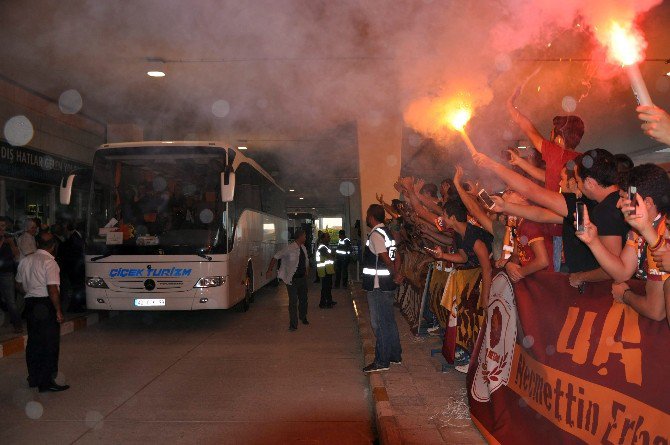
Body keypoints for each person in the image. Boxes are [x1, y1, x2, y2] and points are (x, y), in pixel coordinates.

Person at [474, 149, 628, 287]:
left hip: (604, 293)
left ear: (590, 182)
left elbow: (612, 270)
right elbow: (541, 215)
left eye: (578, 180)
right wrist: (506, 207)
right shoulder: (588, 205)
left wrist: (581, 277)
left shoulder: (607, 209)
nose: (577, 185)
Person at [575, 164, 669, 324]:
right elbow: (622, 272)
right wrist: (593, 242)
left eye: (624, 197)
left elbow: (655, 311)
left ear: (646, 203)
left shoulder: (662, 232)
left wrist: (625, 295)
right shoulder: (638, 229)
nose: (618, 204)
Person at [15, 233, 69, 392]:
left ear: (37, 244)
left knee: (34, 342)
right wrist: (58, 310)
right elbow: (52, 289)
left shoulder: (25, 260)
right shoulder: (50, 262)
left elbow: (17, 284)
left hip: (31, 304)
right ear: (53, 246)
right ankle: (46, 382)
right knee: (49, 343)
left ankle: (33, 377)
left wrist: (29, 290)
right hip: (45, 305)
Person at [362, 204, 403, 373]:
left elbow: (386, 259)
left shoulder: (376, 235)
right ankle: (394, 355)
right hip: (387, 283)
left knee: (379, 323)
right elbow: (397, 255)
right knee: (389, 321)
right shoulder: (388, 233)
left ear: (371, 217)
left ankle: (382, 360)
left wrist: (395, 274)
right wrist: (396, 273)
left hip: (378, 285)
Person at [266, 229, 310, 331]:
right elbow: (275, 257)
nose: (306, 238)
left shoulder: (303, 248)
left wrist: (307, 271)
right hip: (292, 280)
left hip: (302, 279)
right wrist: (269, 270)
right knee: (293, 302)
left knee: (304, 299)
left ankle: (303, 317)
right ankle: (293, 324)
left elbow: (306, 261)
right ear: (300, 236)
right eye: (304, 236)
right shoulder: (289, 248)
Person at [58, 221, 86, 312]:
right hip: (75, 267)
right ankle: (74, 307)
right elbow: (75, 254)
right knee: (77, 287)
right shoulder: (75, 238)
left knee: (77, 287)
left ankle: (76, 306)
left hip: (74, 267)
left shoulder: (74, 237)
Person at [0, 217, 22, 333]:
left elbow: (17, 255)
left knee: (10, 301)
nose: (1, 228)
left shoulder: (9, 239)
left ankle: (18, 325)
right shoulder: (4, 240)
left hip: (6, 274)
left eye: (3, 226)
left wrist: (11, 243)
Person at [316, 233, 336, 308]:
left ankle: (329, 300)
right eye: (328, 237)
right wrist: (332, 255)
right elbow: (330, 256)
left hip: (327, 270)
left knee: (328, 286)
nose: (329, 238)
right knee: (325, 287)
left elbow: (331, 255)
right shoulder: (322, 247)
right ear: (323, 239)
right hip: (325, 270)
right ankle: (323, 303)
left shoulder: (325, 246)